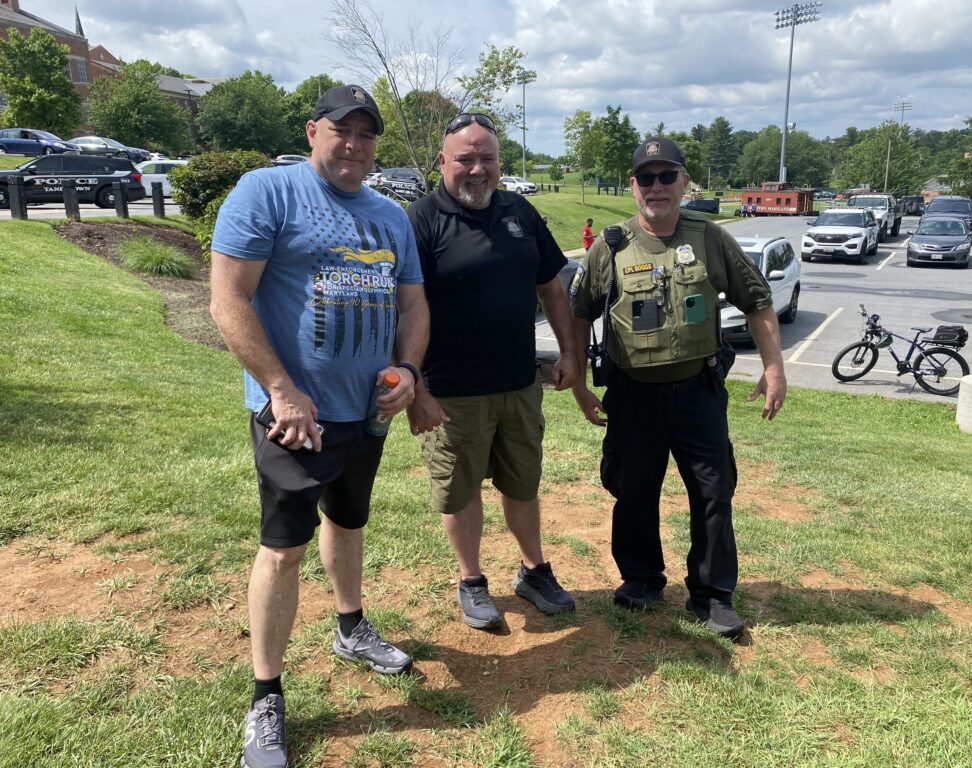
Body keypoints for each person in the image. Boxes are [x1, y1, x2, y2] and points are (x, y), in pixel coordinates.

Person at [209, 85, 430, 768]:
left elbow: (413, 304)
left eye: (367, 134)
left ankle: (350, 627)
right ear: (313, 131)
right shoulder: (267, 193)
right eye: (342, 130)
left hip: (365, 412)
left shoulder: (390, 216)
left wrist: (409, 371)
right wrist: (282, 390)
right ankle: (266, 697)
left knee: (349, 520)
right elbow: (228, 299)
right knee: (284, 548)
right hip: (294, 417)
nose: (354, 145)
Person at [568, 137, 786, 639]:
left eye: (667, 176)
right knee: (633, 491)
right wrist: (578, 384)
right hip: (632, 395)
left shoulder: (710, 238)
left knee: (713, 494)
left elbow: (757, 302)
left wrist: (774, 369)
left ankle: (711, 595)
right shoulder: (610, 245)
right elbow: (579, 314)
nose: (657, 187)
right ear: (633, 185)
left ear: (684, 182)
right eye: (647, 178)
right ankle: (641, 580)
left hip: (697, 393)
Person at [405, 112, 579, 629]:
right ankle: (472, 581)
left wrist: (570, 353)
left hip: (519, 385)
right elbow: (402, 308)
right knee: (460, 492)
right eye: (466, 159)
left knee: (522, 484)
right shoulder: (420, 220)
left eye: (488, 158)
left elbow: (551, 287)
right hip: (450, 393)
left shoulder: (519, 212)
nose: (478, 169)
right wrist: (416, 388)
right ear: (442, 162)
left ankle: (534, 571)